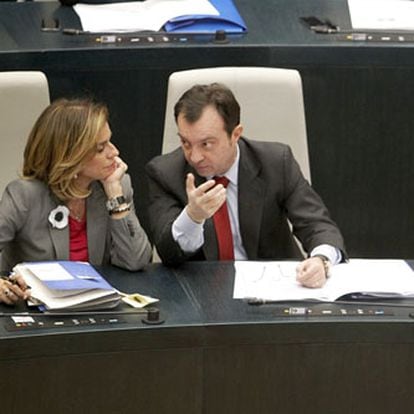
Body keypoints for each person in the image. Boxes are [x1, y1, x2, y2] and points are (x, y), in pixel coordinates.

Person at [145, 83, 347, 288]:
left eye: (206, 144)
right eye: (186, 143)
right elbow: (168, 253)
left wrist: (321, 260)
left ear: (235, 134)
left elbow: (317, 225)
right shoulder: (165, 173)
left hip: (273, 289)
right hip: (203, 294)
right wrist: (192, 217)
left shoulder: (275, 163)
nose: (195, 157)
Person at [0, 98, 152, 305]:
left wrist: (115, 194)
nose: (114, 152)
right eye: (100, 148)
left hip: (96, 308)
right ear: (70, 156)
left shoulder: (115, 186)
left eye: (110, 141)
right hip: (36, 313)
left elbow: (135, 260)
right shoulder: (24, 195)